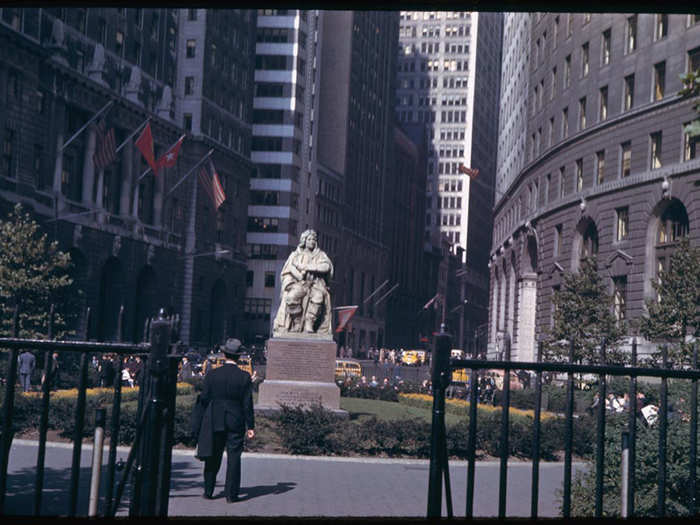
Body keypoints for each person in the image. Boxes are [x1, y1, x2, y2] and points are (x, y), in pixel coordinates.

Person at [193, 338, 255, 503]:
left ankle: (208, 490)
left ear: (224, 354)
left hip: (215, 418)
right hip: (236, 419)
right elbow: (247, 403)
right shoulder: (244, 377)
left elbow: (204, 398)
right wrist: (251, 426)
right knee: (234, 457)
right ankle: (231, 494)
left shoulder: (212, 374)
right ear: (239, 356)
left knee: (213, 454)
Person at [273, 229, 334, 335]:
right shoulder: (295, 255)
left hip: (315, 284)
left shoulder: (320, 254)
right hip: (300, 284)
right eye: (309, 239)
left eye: (314, 239)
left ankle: (309, 322)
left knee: (319, 296)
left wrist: (309, 267)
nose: (312, 241)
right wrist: (294, 278)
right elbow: (287, 271)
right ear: (304, 240)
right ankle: (297, 321)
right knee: (291, 297)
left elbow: (326, 266)